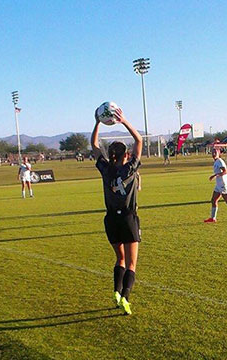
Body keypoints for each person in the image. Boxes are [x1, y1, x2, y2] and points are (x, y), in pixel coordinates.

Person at [91, 107, 142, 316]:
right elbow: (139, 140)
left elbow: (94, 145)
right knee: (131, 263)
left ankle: (116, 291)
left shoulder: (106, 169)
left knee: (119, 259)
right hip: (129, 218)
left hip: (111, 219)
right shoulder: (130, 168)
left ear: (110, 155)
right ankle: (126, 297)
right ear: (126, 155)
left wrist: (97, 123)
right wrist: (125, 122)